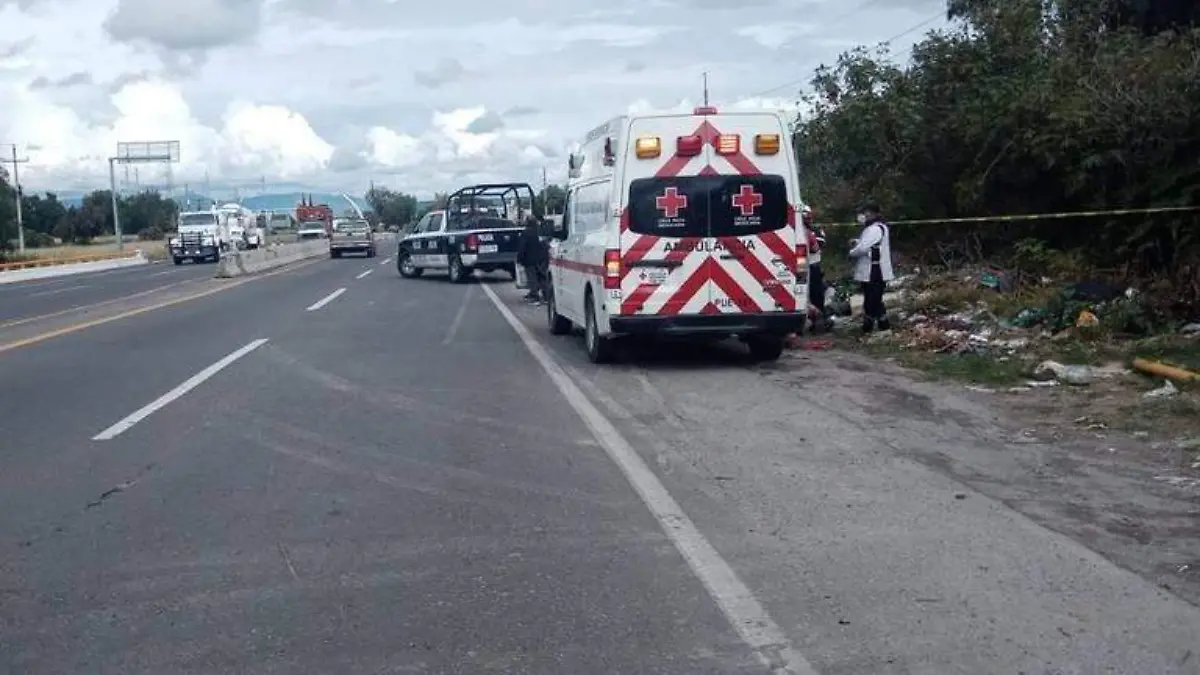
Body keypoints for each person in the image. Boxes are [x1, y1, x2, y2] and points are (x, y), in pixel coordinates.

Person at [847, 202, 894, 334]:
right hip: (873, 269)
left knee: (872, 300)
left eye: (865, 212)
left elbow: (863, 248)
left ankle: (870, 327)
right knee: (874, 299)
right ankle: (883, 325)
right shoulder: (874, 228)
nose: (862, 215)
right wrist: (857, 243)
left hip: (874, 270)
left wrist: (852, 252)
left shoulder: (875, 229)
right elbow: (868, 244)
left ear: (872, 213)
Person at [516, 215, 547, 303]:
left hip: (529, 260)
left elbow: (522, 247)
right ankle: (546, 296)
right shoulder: (540, 231)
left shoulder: (526, 233)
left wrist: (519, 258)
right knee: (542, 277)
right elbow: (545, 244)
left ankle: (534, 296)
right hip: (541, 259)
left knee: (532, 278)